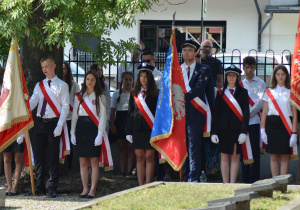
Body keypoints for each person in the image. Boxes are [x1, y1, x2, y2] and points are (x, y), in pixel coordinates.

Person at [23, 56, 70, 198]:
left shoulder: (62, 85)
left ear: (54, 66)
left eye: (47, 66)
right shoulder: (39, 85)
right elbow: (33, 103)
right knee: (38, 156)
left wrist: (60, 125)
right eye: (43, 67)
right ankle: (39, 186)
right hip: (39, 123)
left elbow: (65, 106)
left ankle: (51, 187)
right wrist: (23, 107)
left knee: (52, 157)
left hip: (54, 123)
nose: (45, 69)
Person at [181, 39, 215, 182]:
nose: (186, 52)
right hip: (180, 115)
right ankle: (183, 177)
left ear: (196, 52)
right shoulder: (177, 70)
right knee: (182, 147)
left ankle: (193, 179)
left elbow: (199, 90)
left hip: (196, 114)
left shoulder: (203, 69)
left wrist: (181, 96)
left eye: (189, 50)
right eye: (184, 50)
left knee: (194, 148)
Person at [70, 70, 106, 198]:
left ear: (96, 81)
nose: (90, 82)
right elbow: (74, 115)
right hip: (81, 128)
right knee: (83, 161)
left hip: (94, 129)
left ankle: (93, 189)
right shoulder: (79, 96)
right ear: (85, 81)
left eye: (92, 79)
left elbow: (102, 117)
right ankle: (85, 189)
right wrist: (72, 132)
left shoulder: (100, 97)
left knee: (94, 161)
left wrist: (100, 134)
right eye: (88, 79)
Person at [211, 65, 249, 183]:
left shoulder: (243, 92)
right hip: (223, 130)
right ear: (226, 77)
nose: (231, 77)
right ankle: (225, 183)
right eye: (229, 75)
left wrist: (243, 131)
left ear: (237, 77)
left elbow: (246, 114)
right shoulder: (221, 93)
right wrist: (214, 132)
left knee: (234, 156)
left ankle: (232, 183)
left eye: (233, 75)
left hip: (236, 130)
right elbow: (215, 114)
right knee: (224, 156)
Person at [261, 65, 298, 177]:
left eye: (283, 74)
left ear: (286, 76)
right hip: (272, 125)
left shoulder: (291, 92)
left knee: (284, 156)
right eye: (278, 74)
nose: (280, 77)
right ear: (275, 76)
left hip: (286, 126)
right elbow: (264, 113)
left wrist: (294, 133)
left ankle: (282, 184)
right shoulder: (268, 92)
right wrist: (262, 130)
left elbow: (295, 114)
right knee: (273, 156)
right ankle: (275, 183)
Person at [126, 63, 158, 185]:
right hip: (137, 129)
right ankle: (140, 185)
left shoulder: (156, 93)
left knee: (149, 157)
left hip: (150, 129)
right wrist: (128, 131)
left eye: (145, 76)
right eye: (141, 76)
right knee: (139, 157)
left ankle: (148, 184)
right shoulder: (134, 93)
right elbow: (130, 113)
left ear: (149, 78)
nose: (143, 79)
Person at [240, 56, 266, 183]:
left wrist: (248, 114)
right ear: (243, 68)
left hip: (254, 121)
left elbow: (261, 103)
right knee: (243, 149)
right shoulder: (241, 84)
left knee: (255, 151)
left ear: (255, 67)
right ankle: (245, 177)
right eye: (247, 67)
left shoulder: (261, 83)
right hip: (242, 123)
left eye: (251, 67)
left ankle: (255, 177)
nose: (249, 70)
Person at [110, 72, 135, 176]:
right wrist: (112, 124)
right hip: (120, 120)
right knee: (122, 147)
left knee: (130, 146)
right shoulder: (117, 93)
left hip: (131, 120)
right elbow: (112, 110)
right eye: (126, 79)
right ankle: (122, 171)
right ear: (122, 80)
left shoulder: (135, 93)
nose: (128, 82)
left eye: (130, 79)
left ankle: (129, 171)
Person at [63, 61, 80, 170]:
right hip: (58, 118)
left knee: (69, 145)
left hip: (69, 118)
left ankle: (68, 167)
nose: (63, 71)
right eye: (61, 69)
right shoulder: (56, 83)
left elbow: (78, 101)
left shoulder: (74, 85)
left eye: (65, 68)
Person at [90, 63, 110, 131]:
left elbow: (107, 103)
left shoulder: (105, 85)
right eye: (97, 70)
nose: (100, 72)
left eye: (101, 70)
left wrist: (107, 119)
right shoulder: (88, 84)